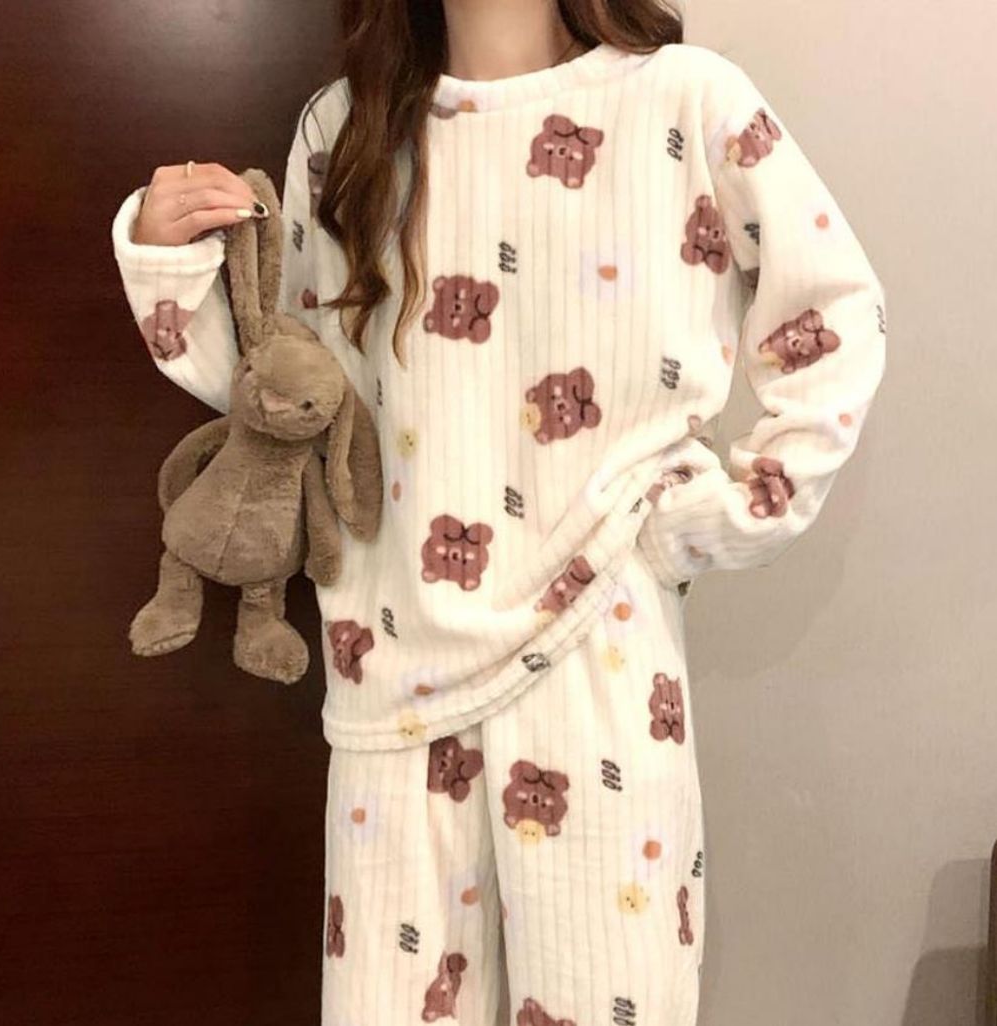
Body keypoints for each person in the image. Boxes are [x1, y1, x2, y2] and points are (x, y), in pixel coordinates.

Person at [111, 1, 887, 1022]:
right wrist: (168, 265)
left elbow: (834, 314)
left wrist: (712, 519)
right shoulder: (344, 128)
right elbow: (293, 392)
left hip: (598, 651)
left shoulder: (684, 102)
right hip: (392, 668)